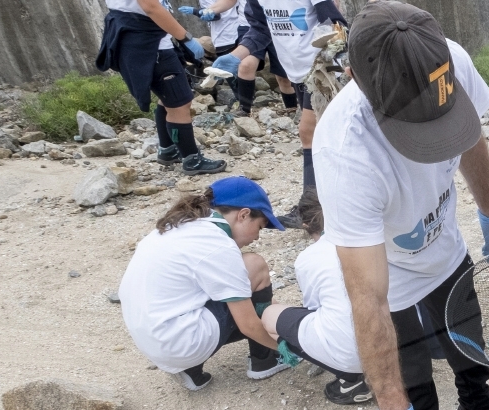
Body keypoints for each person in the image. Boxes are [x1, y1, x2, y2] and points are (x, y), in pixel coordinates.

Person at [311, 2, 489, 409]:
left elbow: (470, 138)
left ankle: (477, 397)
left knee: (466, 330)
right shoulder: (345, 152)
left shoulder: (449, 63)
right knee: (410, 368)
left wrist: (488, 210)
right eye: (421, 127)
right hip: (390, 266)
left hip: (445, 244)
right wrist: (390, 398)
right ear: (356, 80)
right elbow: (369, 300)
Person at [118, 176, 293, 391]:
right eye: (260, 226)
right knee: (254, 265)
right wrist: (288, 349)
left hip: (152, 341)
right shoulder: (218, 244)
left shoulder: (179, 225)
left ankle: (190, 368)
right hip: (180, 344)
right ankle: (266, 359)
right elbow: (248, 324)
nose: (257, 237)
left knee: (237, 296)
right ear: (244, 214)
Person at [210, 0, 346, 229]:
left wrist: (331, 52)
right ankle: (326, 202)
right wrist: (236, 55)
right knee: (324, 133)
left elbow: (334, 23)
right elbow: (260, 29)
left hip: (322, 68)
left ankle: (313, 211)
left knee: (309, 132)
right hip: (297, 70)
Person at [260, 191, 373, 405]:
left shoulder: (308, 258)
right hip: (402, 342)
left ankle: (351, 379)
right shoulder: (373, 237)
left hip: (356, 353)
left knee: (270, 315)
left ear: (305, 226)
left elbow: (315, 309)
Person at [96, 0, 227, 175]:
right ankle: (192, 159)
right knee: (179, 102)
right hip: (151, 45)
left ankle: (168, 149)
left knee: (167, 97)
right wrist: (185, 37)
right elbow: (151, 7)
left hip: (143, 38)